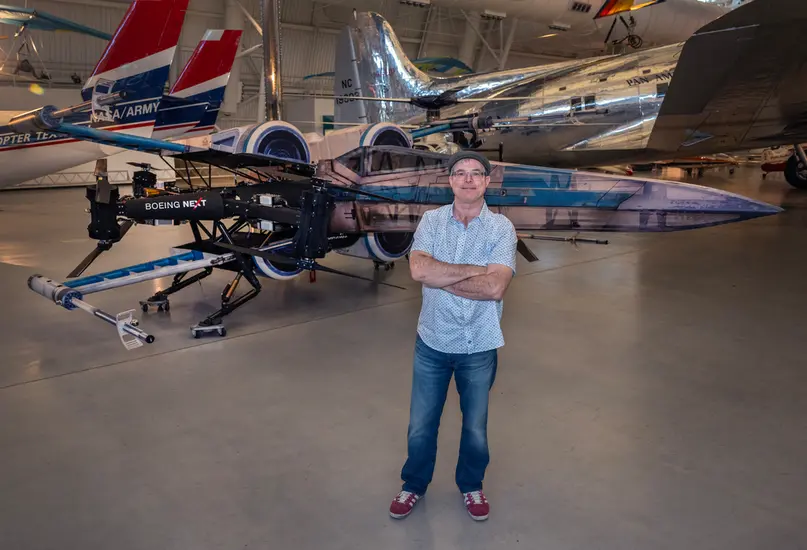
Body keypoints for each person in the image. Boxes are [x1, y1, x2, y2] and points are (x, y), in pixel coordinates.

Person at [389, 151, 517, 522]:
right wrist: (475, 270)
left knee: (475, 427)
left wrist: (441, 277)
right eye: (460, 173)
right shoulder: (431, 221)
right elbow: (418, 270)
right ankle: (414, 484)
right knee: (421, 425)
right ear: (450, 181)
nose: (468, 179)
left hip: (479, 344)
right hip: (432, 341)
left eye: (476, 173)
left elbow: (495, 287)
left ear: (487, 181)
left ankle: (471, 485)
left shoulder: (501, 228)